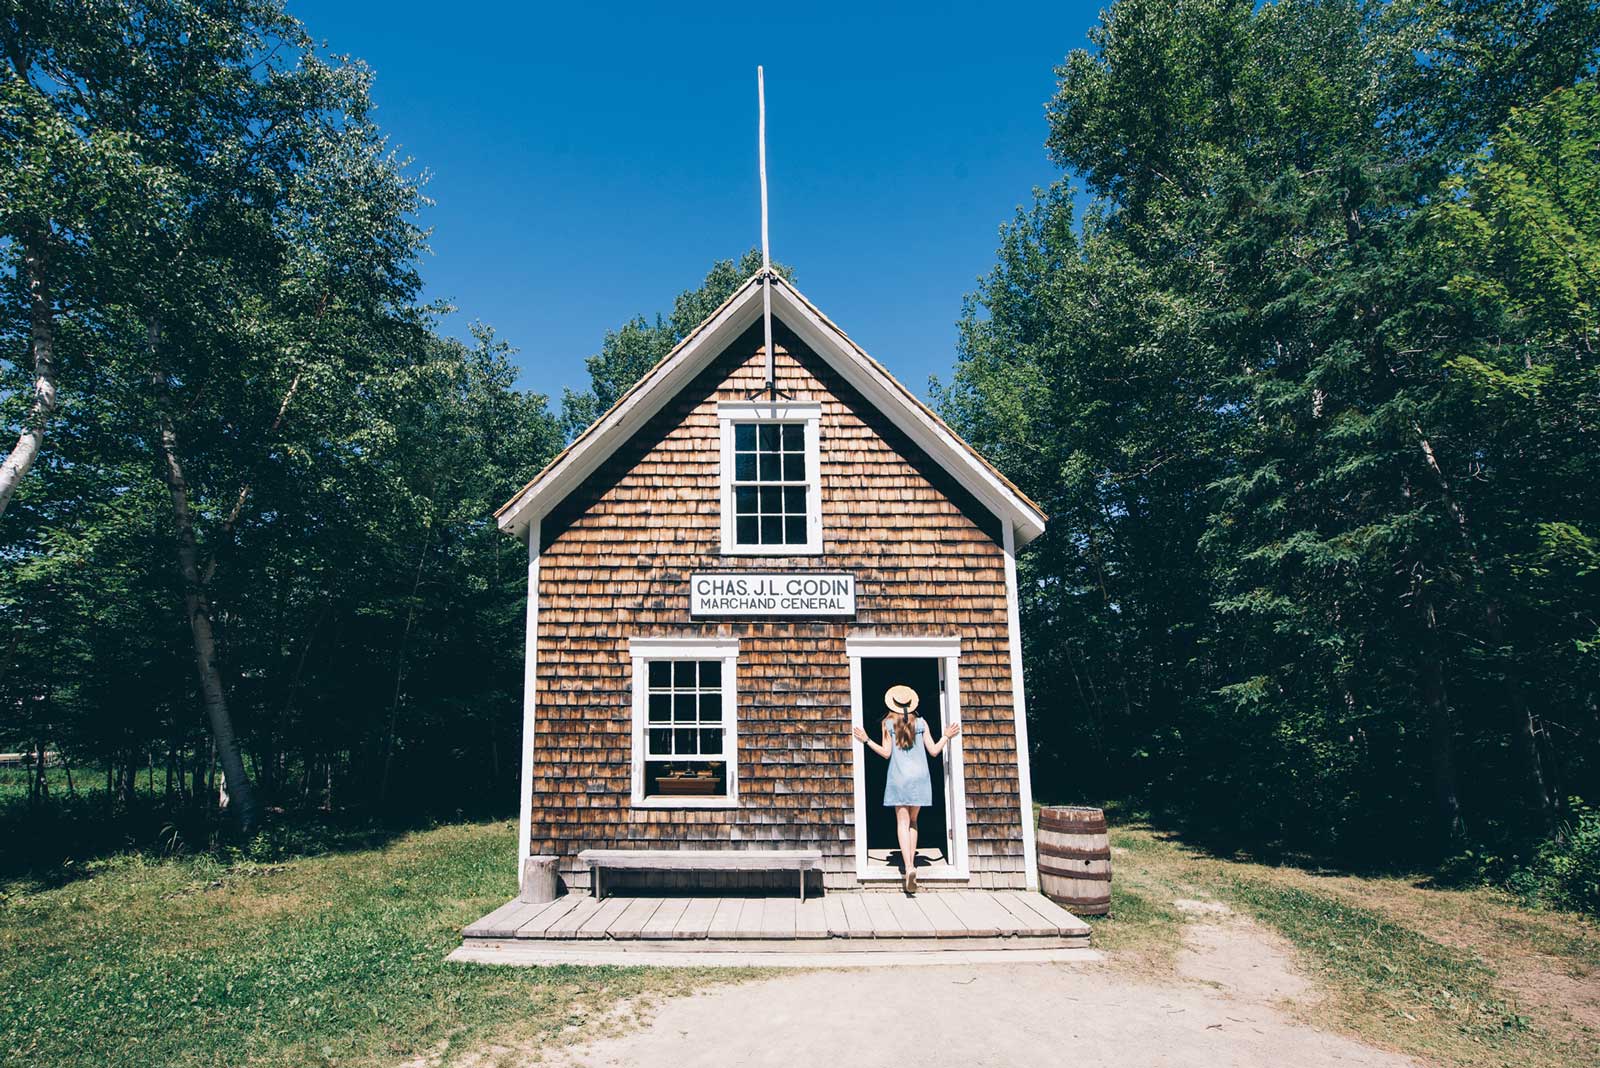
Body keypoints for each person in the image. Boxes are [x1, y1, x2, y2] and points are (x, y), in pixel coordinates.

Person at [851, 683, 960, 894]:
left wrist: (866, 740)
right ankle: (913, 864)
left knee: (901, 822)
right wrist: (946, 735)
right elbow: (935, 751)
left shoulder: (888, 723)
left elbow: (885, 753)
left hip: (899, 777)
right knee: (913, 821)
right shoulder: (921, 723)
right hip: (920, 778)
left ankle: (908, 866)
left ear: (891, 703)